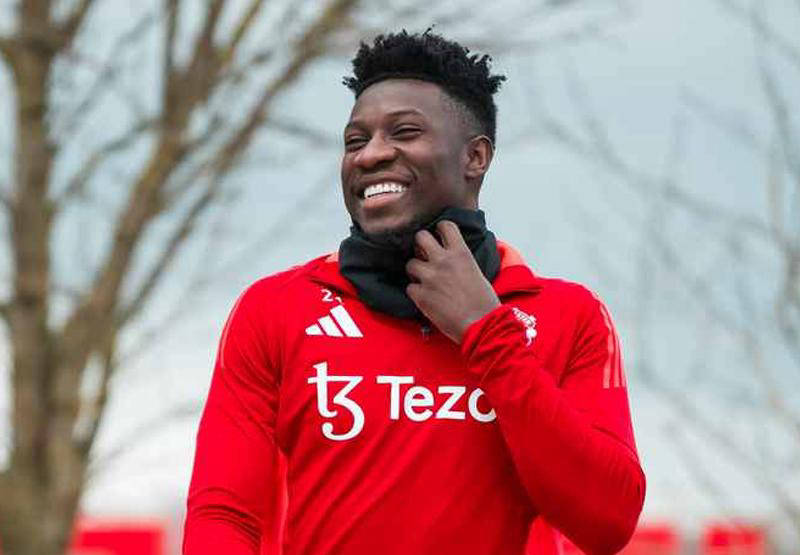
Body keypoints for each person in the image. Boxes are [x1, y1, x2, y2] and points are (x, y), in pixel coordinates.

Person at [183, 30, 645, 555]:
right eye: (355, 141)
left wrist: (488, 333)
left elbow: (608, 521)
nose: (371, 155)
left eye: (404, 132)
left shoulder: (568, 315)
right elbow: (224, 515)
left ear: (475, 157)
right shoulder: (277, 309)